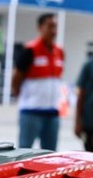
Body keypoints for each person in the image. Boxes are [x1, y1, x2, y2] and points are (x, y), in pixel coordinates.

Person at [12, 12, 64, 149]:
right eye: (50, 26)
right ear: (40, 27)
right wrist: (24, 98)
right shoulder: (30, 50)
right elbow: (16, 78)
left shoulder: (59, 52)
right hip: (31, 112)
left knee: (49, 155)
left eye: (55, 26)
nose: (53, 31)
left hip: (52, 113)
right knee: (24, 151)